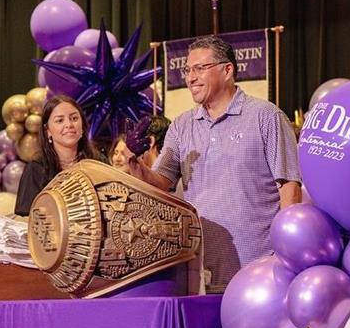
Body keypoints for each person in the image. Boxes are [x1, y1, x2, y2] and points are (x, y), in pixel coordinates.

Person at [126, 35, 301, 291]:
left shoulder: (266, 116)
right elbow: (160, 183)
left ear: (227, 70)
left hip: (260, 266)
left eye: (199, 68)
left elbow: (289, 186)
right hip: (202, 270)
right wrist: (134, 161)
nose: (190, 77)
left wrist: (286, 251)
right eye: (187, 70)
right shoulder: (182, 125)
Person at [14, 95, 99, 216]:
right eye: (60, 120)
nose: (69, 124)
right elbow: (25, 217)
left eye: (74, 118)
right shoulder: (36, 168)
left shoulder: (97, 162)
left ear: (83, 127)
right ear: (48, 131)